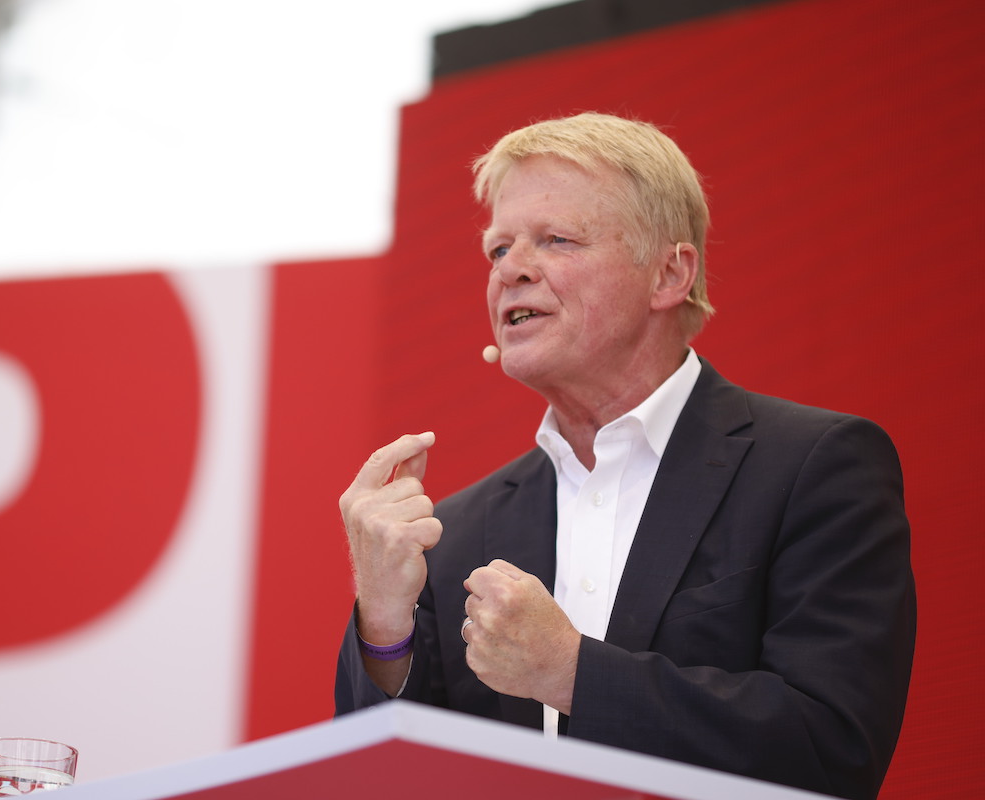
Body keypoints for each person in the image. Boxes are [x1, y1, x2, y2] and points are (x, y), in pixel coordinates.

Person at [333, 112, 915, 800]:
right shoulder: (454, 530)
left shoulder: (813, 467)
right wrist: (384, 626)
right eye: (497, 250)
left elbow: (832, 752)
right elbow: (380, 783)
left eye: (556, 240)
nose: (511, 270)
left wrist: (573, 673)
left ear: (669, 274)